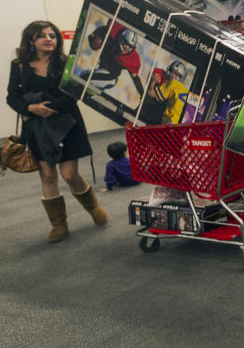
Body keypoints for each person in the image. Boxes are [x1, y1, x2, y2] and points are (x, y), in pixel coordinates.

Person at [6, 20, 108, 242]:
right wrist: (31, 108)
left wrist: (48, 109)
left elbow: (74, 94)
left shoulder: (66, 62)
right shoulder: (19, 65)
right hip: (37, 127)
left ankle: (93, 208)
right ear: (31, 39)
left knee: (69, 175)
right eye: (43, 35)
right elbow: (11, 96)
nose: (49, 39)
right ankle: (59, 225)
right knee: (49, 176)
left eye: (52, 35)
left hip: (67, 123)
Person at [78, 23, 145, 97]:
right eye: (126, 45)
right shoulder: (111, 32)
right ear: (121, 38)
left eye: (130, 47)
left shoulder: (131, 57)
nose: (127, 49)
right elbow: (93, 43)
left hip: (110, 77)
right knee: (84, 78)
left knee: (84, 77)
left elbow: (135, 78)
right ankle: (88, 95)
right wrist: (98, 37)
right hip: (102, 68)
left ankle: (85, 94)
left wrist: (142, 94)